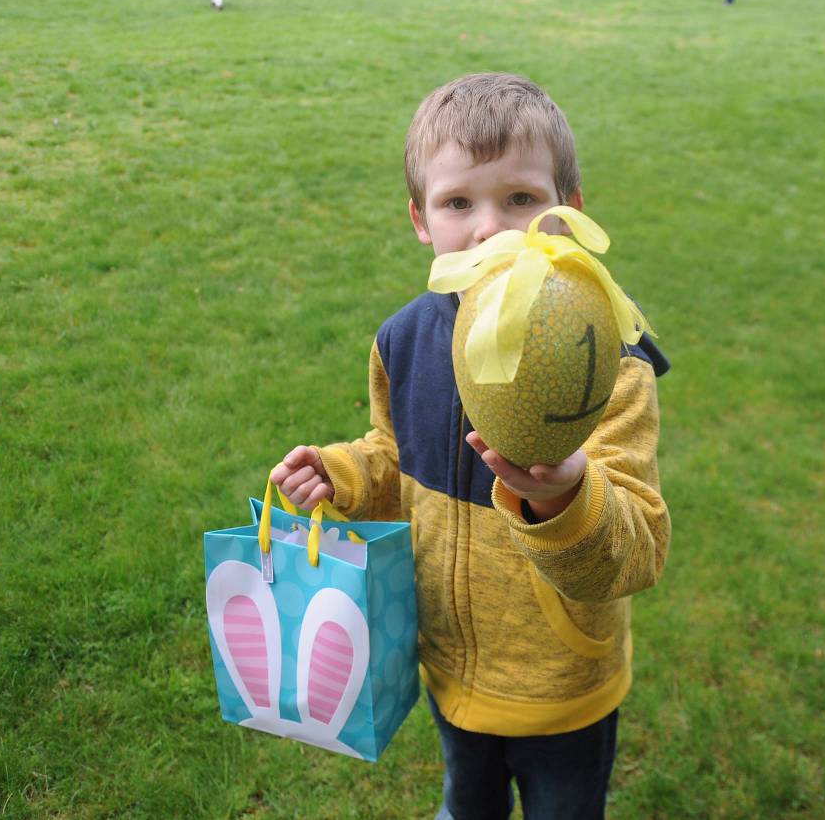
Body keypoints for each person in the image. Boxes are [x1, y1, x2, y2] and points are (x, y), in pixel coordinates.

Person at [271, 73, 670, 820]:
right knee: (467, 801)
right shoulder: (406, 338)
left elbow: (638, 546)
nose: (489, 228)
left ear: (567, 213)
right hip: (450, 667)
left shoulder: (603, 356)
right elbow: (395, 459)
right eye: (460, 202)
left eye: (520, 198)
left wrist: (567, 494)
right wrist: (343, 473)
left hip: (564, 687)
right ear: (422, 220)